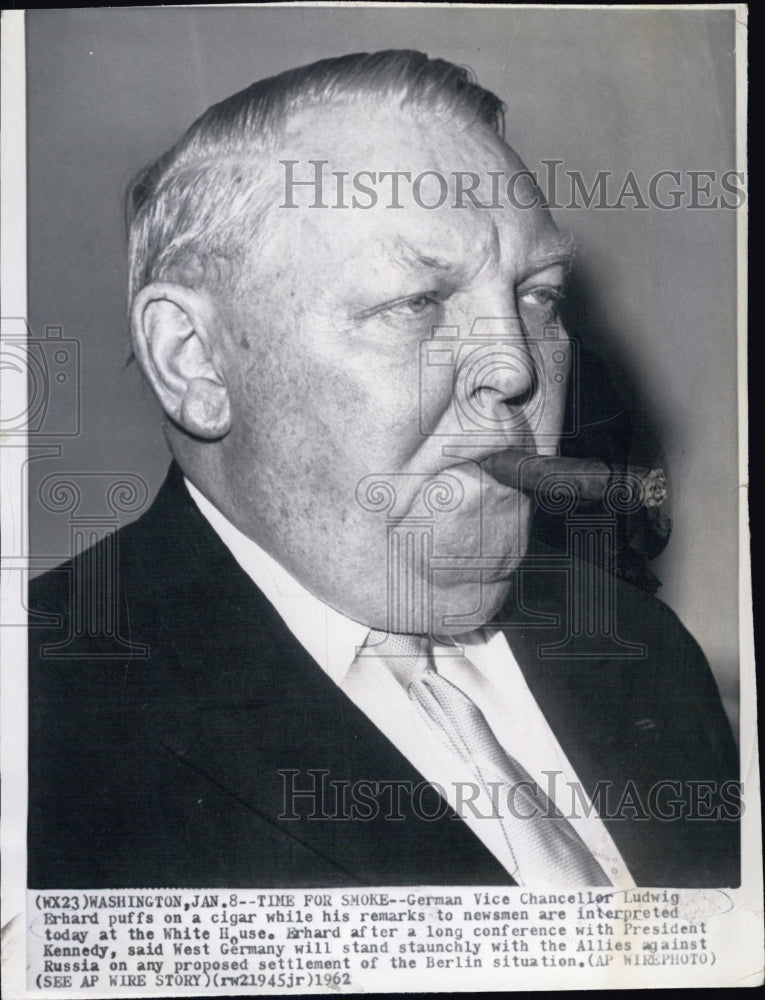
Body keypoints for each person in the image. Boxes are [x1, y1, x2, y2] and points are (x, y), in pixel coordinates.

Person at [27, 50, 738, 889]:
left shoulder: (644, 653)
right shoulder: (42, 716)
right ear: (195, 362)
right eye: (416, 303)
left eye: (537, 296)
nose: (514, 367)